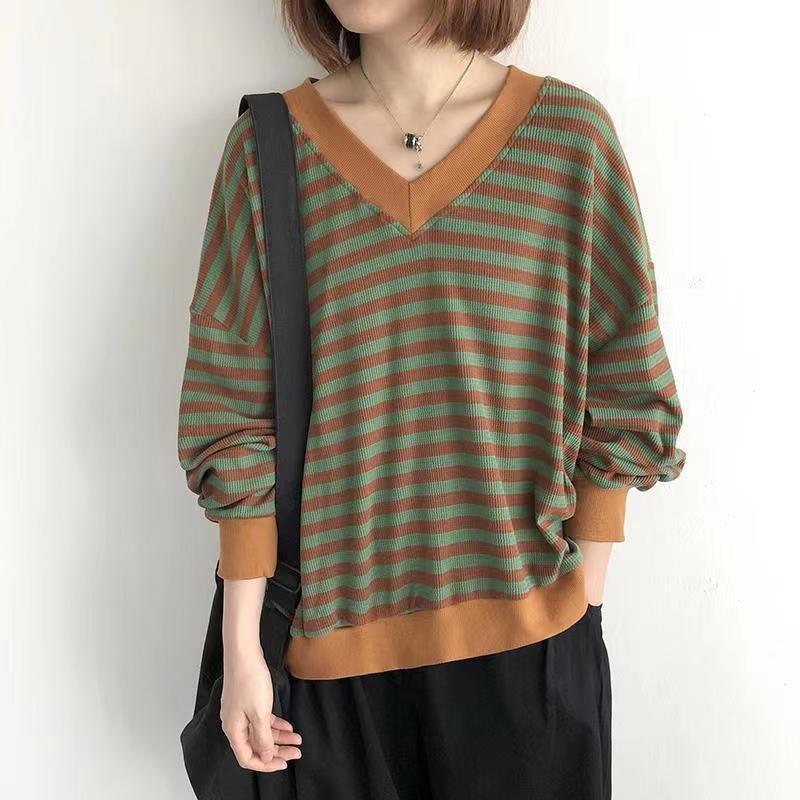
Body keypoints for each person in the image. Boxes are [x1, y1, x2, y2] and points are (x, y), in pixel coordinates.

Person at [176, 1, 686, 797]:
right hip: (322, 678)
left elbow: (628, 384)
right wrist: (244, 650)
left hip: (530, 665)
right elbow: (232, 408)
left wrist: (578, 604)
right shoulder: (269, 149)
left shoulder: (569, 140)